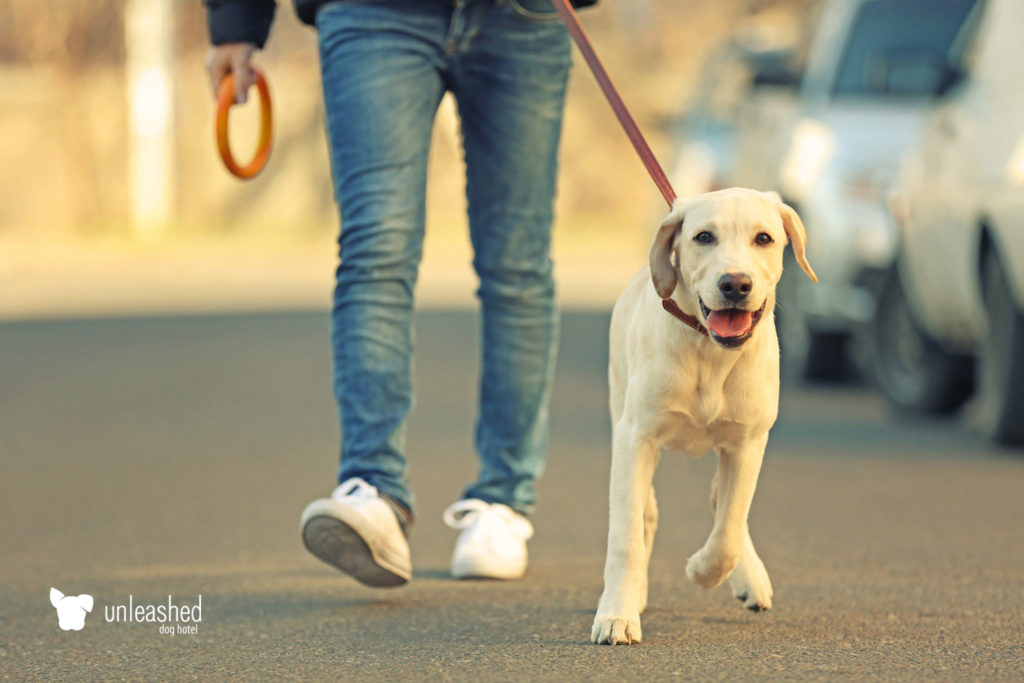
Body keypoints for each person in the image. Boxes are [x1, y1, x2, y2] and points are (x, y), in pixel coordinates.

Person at [204, 0, 595, 586]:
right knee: (375, 248)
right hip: (372, 12)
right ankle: (373, 491)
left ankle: (503, 504)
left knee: (517, 262)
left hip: (522, 14)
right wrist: (237, 22)